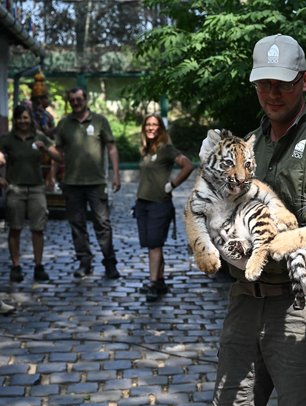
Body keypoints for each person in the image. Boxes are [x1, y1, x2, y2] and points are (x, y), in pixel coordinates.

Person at [211, 34, 306, 406]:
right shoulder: (250, 142)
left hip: (299, 310)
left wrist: (268, 240)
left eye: (283, 83)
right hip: (244, 299)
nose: (272, 93)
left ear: (305, 81)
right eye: (264, 83)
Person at [49, 87, 122, 279]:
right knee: (77, 224)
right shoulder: (64, 123)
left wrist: (116, 174)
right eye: (72, 99)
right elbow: (57, 153)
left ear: (86, 99)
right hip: (71, 183)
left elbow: (112, 148)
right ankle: (84, 261)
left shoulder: (99, 121)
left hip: (96, 182)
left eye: (79, 99)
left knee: (103, 224)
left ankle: (109, 263)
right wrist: (51, 176)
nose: (75, 102)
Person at [0, 105, 62, 284]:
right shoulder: (7, 140)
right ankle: (16, 266)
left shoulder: (39, 137)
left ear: (30, 120)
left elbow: (59, 157)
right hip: (15, 189)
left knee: (38, 228)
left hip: (36, 189)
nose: (23, 121)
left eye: (26, 118)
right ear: (15, 120)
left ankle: (39, 265)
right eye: (19, 118)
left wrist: (46, 150)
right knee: (15, 228)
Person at [135, 113, 193, 301]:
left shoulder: (166, 149)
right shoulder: (146, 149)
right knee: (152, 245)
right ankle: (159, 281)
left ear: (160, 128)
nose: (151, 128)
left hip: (159, 204)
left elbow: (188, 165)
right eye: (148, 125)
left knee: (154, 245)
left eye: (155, 125)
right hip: (142, 203)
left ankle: (152, 283)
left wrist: (173, 184)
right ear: (144, 128)